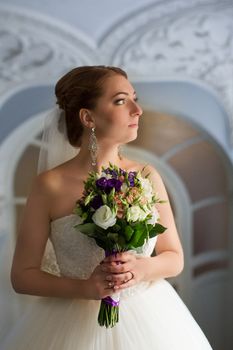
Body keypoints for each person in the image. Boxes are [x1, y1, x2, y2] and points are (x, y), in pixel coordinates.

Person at [2, 66, 213, 349]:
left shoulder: (146, 176)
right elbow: (22, 276)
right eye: (121, 100)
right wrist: (86, 288)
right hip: (69, 328)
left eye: (134, 98)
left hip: (152, 318)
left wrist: (142, 268)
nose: (138, 110)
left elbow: (174, 258)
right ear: (88, 117)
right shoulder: (49, 185)